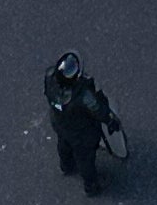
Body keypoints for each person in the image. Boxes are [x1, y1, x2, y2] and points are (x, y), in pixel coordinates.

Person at [45, 48, 122, 191]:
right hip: (81, 134)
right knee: (85, 158)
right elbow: (98, 109)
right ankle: (91, 185)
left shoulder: (49, 79)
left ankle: (66, 166)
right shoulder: (82, 96)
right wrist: (110, 120)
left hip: (59, 123)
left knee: (63, 145)